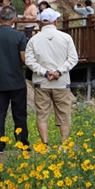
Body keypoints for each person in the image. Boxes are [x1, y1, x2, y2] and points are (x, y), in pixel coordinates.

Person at [0, 5, 30, 153]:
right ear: (14, 19)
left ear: (0, 18)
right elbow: (23, 58)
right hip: (16, 81)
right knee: (19, 114)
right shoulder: (19, 36)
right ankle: (22, 143)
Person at [26, 8, 79, 145]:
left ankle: (45, 144)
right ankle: (64, 144)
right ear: (56, 21)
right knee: (64, 113)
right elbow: (73, 59)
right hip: (61, 82)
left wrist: (45, 72)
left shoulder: (33, 40)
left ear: (40, 22)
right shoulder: (66, 38)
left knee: (42, 113)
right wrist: (58, 72)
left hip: (41, 82)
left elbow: (29, 61)